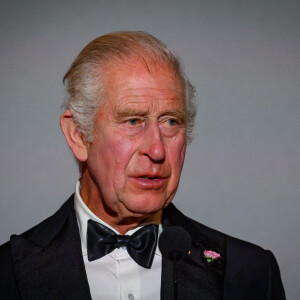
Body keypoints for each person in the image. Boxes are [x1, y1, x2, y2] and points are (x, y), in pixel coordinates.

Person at [0, 31, 285, 300]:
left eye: (171, 121)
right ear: (78, 135)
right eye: (133, 121)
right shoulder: (8, 273)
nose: (158, 150)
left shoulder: (251, 274)